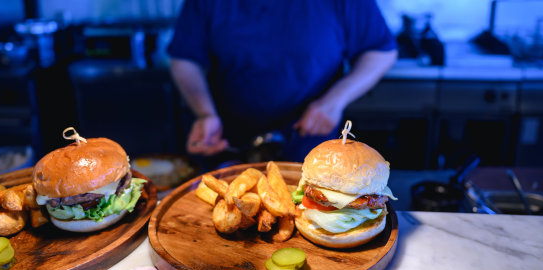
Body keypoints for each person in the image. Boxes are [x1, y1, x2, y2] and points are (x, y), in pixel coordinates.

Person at [167, 0, 397, 163]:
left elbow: (380, 51)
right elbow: (185, 58)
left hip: (311, 145)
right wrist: (204, 113)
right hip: (226, 142)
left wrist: (334, 101)